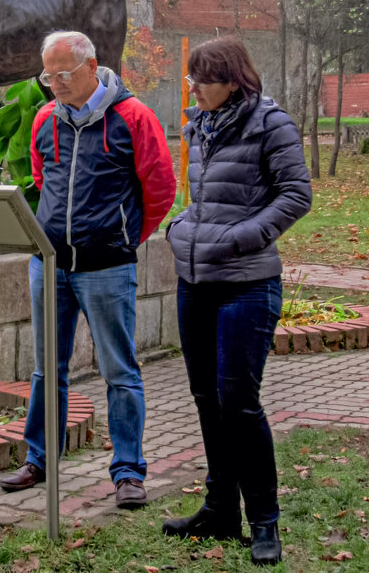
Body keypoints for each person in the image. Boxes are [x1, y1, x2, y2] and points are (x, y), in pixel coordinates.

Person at [0, 30, 176, 508]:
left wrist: (122, 239)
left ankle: (128, 473)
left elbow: (160, 188)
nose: (53, 83)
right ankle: (39, 459)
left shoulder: (133, 117)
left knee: (119, 370)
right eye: (47, 75)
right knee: (45, 370)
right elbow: (43, 180)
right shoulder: (44, 120)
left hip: (107, 268)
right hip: (49, 264)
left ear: (91, 66)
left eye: (62, 74)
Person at [163, 37, 312, 566]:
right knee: (206, 398)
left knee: (238, 403)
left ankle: (265, 522)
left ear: (232, 80)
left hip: (247, 285)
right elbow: (203, 200)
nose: (193, 88)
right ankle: (220, 509)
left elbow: (296, 195)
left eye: (202, 79)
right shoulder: (199, 125)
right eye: (191, 79)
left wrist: (240, 237)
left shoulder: (271, 124)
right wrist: (181, 228)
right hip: (195, 282)